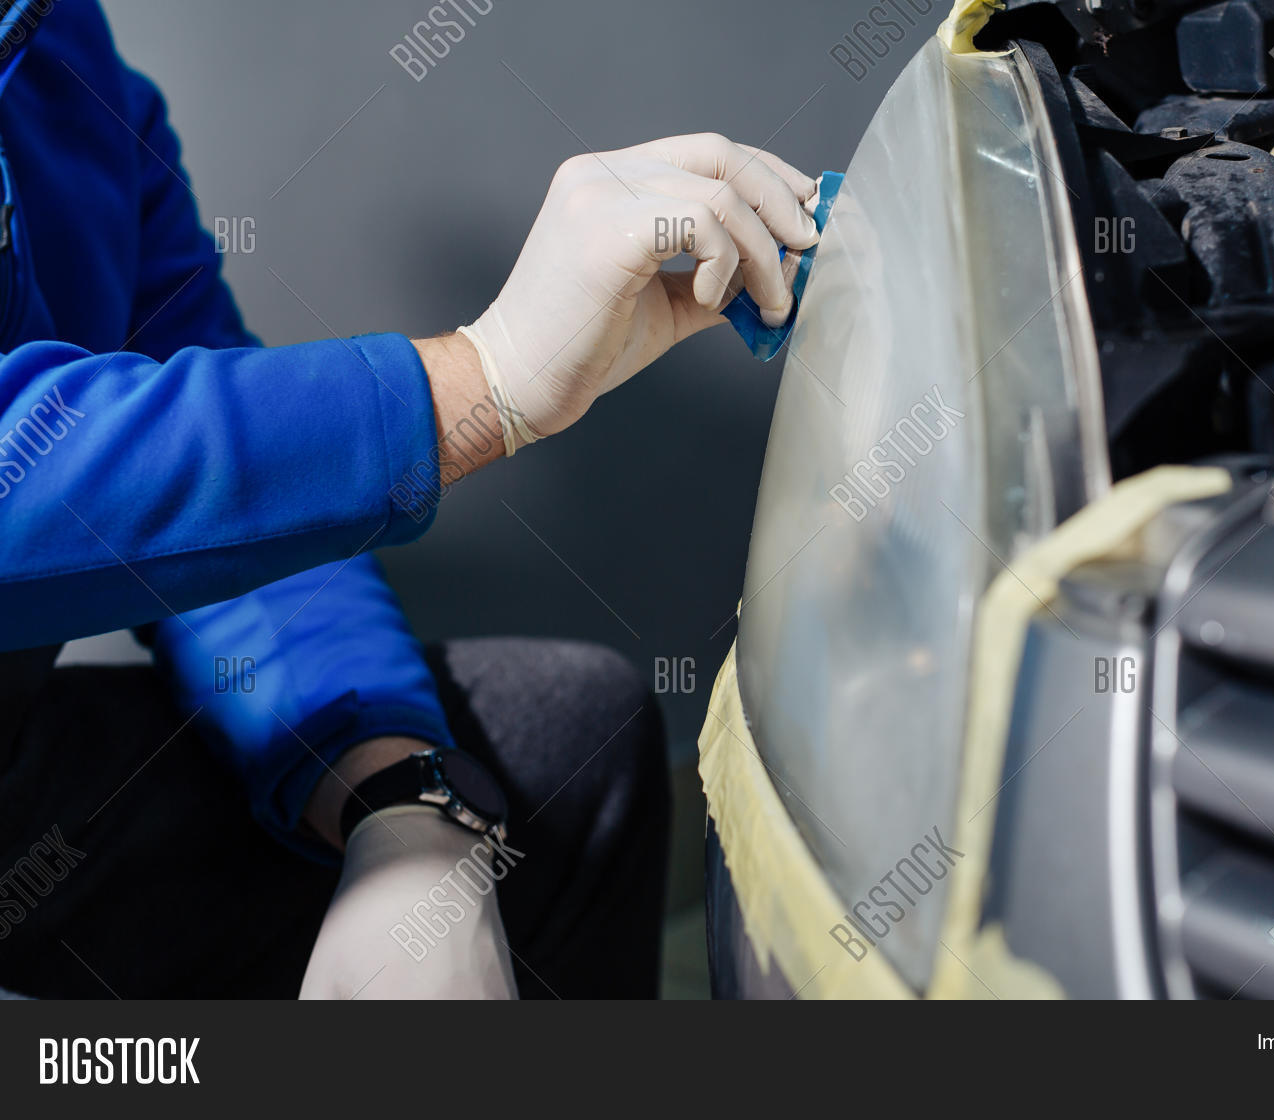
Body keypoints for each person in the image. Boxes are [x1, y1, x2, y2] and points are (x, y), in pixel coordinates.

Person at [0, 0, 819, 998]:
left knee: (569, 745)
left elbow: (244, 536)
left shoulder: (55, 45)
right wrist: (486, 379)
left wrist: (399, 804)